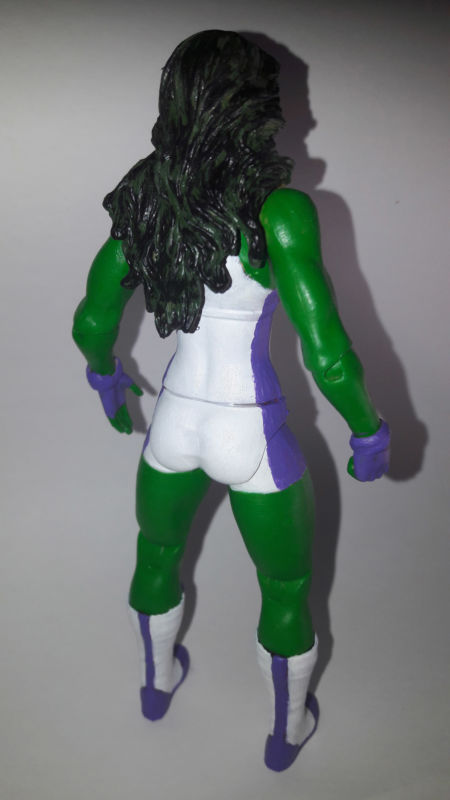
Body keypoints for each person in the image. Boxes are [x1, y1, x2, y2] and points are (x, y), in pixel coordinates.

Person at [73, 30, 390, 772]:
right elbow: (327, 353)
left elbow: (91, 320)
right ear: (254, 109)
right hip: (252, 434)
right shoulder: (280, 212)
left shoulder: (147, 199)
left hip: (175, 422)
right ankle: (287, 731)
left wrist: (105, 375)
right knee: (286, 585)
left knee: (156, 552)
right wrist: (369, 429)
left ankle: (157, 685)